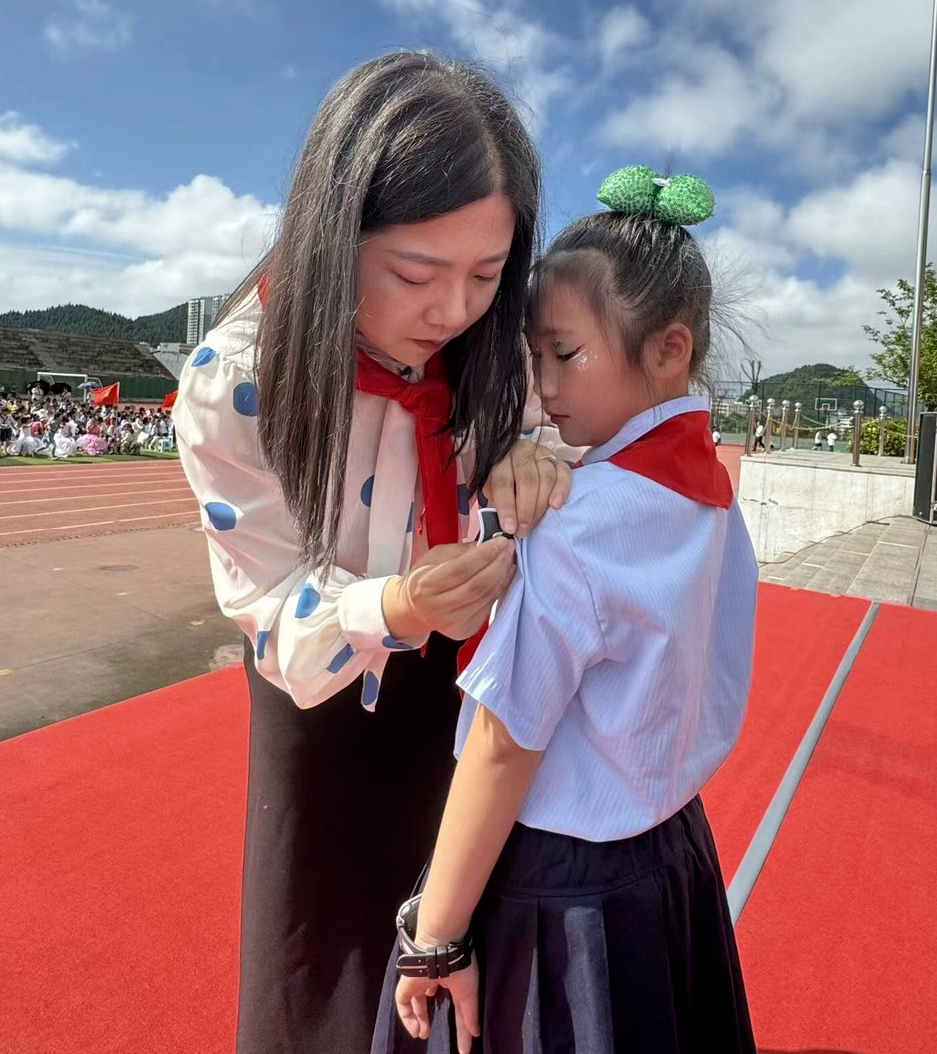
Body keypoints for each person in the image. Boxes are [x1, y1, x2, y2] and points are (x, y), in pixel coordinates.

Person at [174, 52, 572, 1054]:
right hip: (325, 714)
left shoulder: (494, 346)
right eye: (415, 273)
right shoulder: (238, 380)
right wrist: (389, 607)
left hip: (472, 696)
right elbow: (268, 606)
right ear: (331, 233)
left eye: (488, 273)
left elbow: (556, 429)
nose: (453, 310)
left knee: (473, 968)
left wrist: (535, 455)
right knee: (323, 984)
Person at [376, 166, 759, 1054]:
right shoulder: (708, 496)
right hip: (671, 854)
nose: (542, 386)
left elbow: (506, 743)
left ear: (667, 350)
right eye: (534, 354)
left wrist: (434, 936)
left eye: (566, 354)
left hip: (560, 879)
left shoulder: (577, 525)